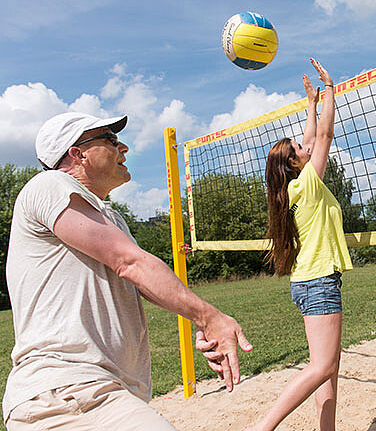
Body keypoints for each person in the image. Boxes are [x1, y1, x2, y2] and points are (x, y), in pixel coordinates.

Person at [3, 112, 253, 430]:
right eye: (110, 139)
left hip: (98, 393)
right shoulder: (49, 185)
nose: (124, 147)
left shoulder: (110, 217)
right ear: (77, 154)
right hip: (67, 393)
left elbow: (142, 280)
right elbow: (130, 264)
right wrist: (210, 317)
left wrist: (199, 322)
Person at [209, 58, 350, 431]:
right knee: (322, 367)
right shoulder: (307, 183)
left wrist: (310, 103)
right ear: (293, 164)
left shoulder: (288, 189)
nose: (305, 147)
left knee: (328, 369)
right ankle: (263, 426)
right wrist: (331, 90)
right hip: (319, 282)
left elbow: (309, 141)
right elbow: (323, 137)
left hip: (308, 283)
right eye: (297, 150)